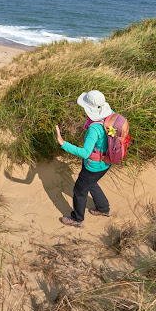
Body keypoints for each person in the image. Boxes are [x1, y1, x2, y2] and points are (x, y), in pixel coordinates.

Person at [55, 90, 113, 228]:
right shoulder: (110, 116)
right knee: (91, 184)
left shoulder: (95, 129)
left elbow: (85, 153)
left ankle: (77, 219)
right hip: (106, 162)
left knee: (79, 191)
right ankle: (104, 209)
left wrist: (63, 143)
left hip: (93, 166)